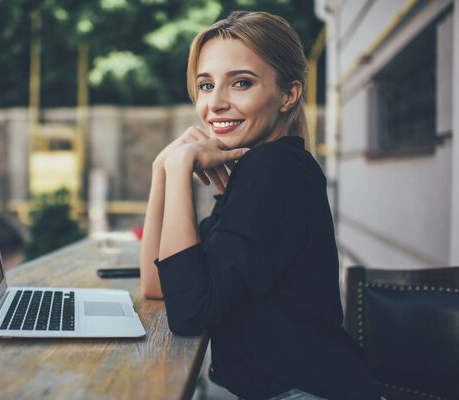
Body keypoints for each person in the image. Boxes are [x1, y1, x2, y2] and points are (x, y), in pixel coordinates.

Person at [139, 11, 382, 400]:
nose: (215, 103)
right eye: (205, 85)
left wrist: (180, 166)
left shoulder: (275, 168)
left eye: (241, 83)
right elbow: (158, 286)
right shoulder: (256, 174)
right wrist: (161, 171)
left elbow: (189, 313)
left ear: (289, 94)